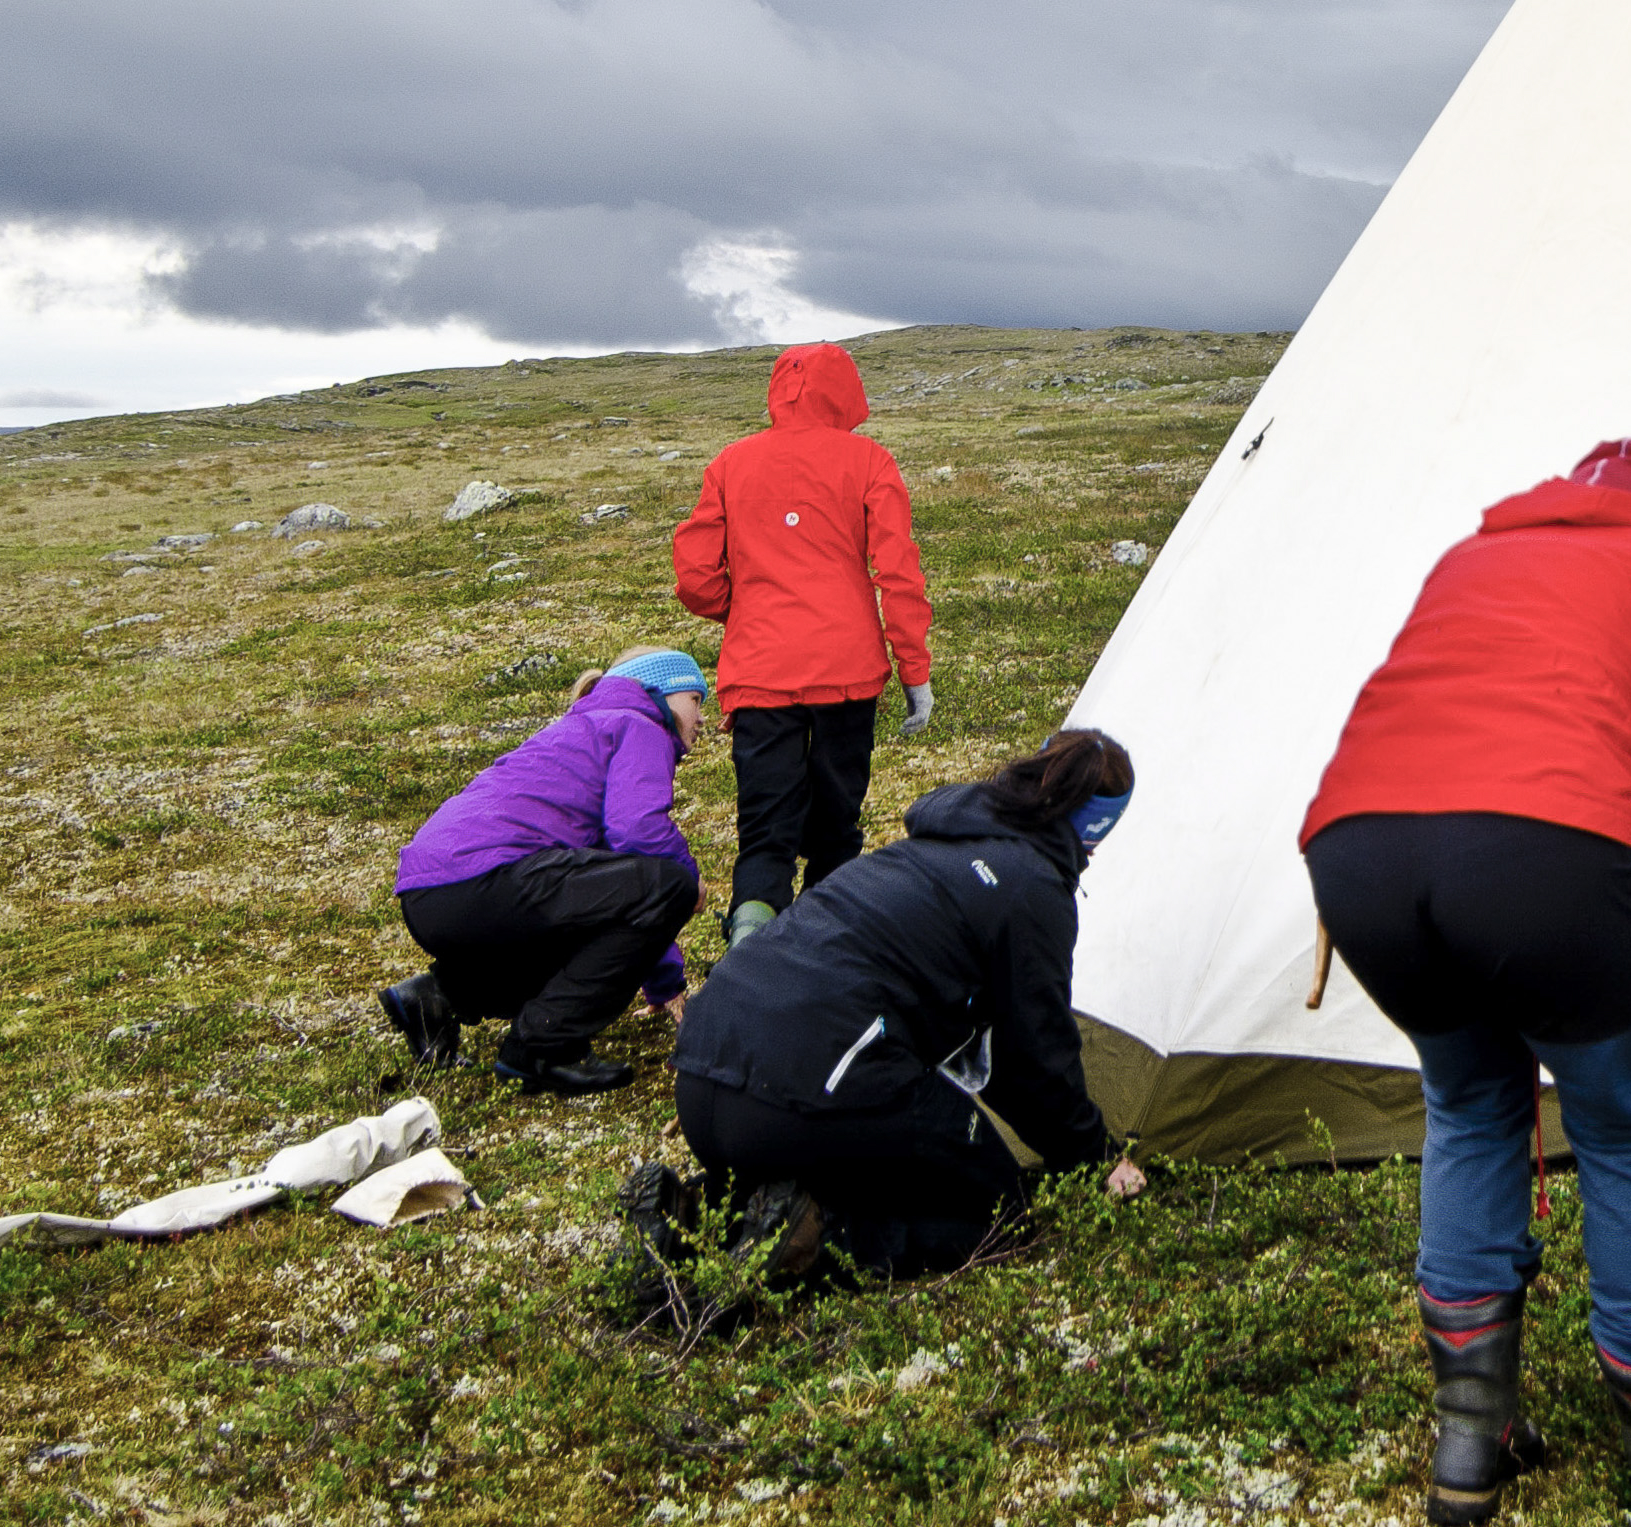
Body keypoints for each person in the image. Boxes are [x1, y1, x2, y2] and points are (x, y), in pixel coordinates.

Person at [1300, 438, 1631, 1527]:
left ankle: (1471, 1436)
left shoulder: (1474, 558)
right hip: (1540, 855)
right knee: (1623, 1123)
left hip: (1361, 851)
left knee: (1471, 1105)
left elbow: (1475, 750)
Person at [639, 727, 1148, 1315]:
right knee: (994, 1210)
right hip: (797, 1093)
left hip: (705, 1075)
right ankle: (817, 1242)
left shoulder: (931, 845)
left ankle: (694, 1211)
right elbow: (1033, 1059)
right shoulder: (1032, 889)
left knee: (872, 1145)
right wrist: (1094, 1157)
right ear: (1092, 832)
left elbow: (1000, 1058)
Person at [673, 341, 936, 950]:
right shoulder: (869, 460)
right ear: (846, 392)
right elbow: (897, 575)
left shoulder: (731, 464)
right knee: (836, 828)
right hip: (849, 673)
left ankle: (751, 946)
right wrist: (914, 674)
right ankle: (827, 955)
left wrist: (744, 612)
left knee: (765, 833)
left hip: (760, 672)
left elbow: (694, 576)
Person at [381, 650, 710, 1098]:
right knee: (671, 881)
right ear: (660, 690)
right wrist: (691, 882)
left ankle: (440, 997)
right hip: (489, 880)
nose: (702, 718)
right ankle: (543, 1048)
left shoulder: (581, 730)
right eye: (696, 699)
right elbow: (639, 833)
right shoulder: (640, 723)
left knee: (611, 904)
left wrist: (663, 983)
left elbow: (621, 896)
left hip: (432, 897)